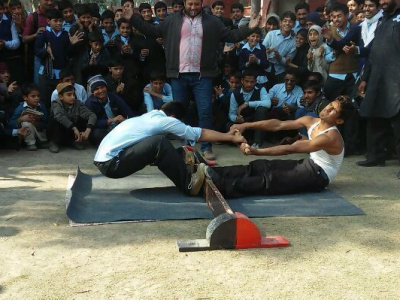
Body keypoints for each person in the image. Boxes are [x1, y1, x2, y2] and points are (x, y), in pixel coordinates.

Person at [126, 0, 261, 161]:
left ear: (201, 3)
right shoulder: (172, 20)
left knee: (204, 111)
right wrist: (132, 18)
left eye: (196, 4)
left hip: (202, 76)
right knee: (178, 114)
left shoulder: (212, 22)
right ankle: (185, 147)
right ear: (184, 3)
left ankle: (206, 147)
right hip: (179, 75)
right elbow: (152, 30)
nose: (193, 7)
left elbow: (231, 35)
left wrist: (250, 28)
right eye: (190, 3)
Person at [200, 95, 355, 199]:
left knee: (270, 179)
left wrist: (256, 151)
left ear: (339, 121)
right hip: (310, 165)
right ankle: (214, 172)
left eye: (334, 109)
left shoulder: (330, 137)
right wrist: (246, 125)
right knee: (261, 167)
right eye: (330, 104)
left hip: (319, 175)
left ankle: (219, 186)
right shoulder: (310, 120)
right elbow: (278, 125)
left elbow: (291, 149)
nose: (328, 108)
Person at [93, 101, 246, 196]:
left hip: (108, 160)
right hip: (112, 163)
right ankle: (189, 184)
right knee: (159, 143)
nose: (178, 127)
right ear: (173, 118)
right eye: (179, 123)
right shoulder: (165, 121)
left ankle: (191, 168)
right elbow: (200, 134)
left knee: (168, 146)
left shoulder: (149, 116)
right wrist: (231, 137)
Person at [356, 0, 400, 179]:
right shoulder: (382, 20)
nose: (383, 2)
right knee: (373, 115)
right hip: (377, 77)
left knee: (398, 122)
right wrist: (365, 78)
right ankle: (376, 156)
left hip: (396, 78)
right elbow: (373, 52)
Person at [85, 74, 135, 145]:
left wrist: (125, 120)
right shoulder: (89, 103)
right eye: (96, 89)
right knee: (96, 133)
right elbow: (92, 123)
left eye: (102, 87)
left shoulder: (114, 97)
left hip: (117, 127)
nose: (100, 91)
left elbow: (129, 113)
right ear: (93, 92)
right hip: (103, 130)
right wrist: (111, 120)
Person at [48, 83, 97, 153]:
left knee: (82, 119)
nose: (72, 97)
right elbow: (59, 116)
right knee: (56, 119)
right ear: (60, 96)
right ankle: (54, 142)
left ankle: (73, 141)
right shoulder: (56, 103)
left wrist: (88, 130)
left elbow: (92, 115)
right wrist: (74, 128)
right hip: (58, 132)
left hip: (70, 132)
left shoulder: (77, 103)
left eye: (74, 94)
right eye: (69, 95)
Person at [228, 70, 271, 149]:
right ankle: (245, 140)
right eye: (247, 81)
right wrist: (236, 118)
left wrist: (248, 104)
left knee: (262, 110)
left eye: (252, 82)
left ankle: (257, 142)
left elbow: (268, 103)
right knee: (229, 126)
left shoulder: (260, 89)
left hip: (256, 121)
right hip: (243, 122)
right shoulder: (235, 93)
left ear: (255, 82)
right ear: (242, 81)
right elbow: (231, 114)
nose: (249, 84)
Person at [8, 83, 48, 151]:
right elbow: (10, 123)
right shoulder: (20, 108)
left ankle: (42, 142)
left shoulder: (41, 106)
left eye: (38, 96)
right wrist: (20, 119)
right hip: (26, 133)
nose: (36, 98)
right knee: (26, 124)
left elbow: (46, 122)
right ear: (25, 97)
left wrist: (36, 123)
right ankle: (30, 143)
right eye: (33, 96)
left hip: (39, 132)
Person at [262, 11, 297, 87]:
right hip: (265, 68)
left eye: (290, 22)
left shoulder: (294, 41)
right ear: (280, 23)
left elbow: (288, 62)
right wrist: (267, 51)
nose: (287, 23)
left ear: (294, 25)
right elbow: (262, 50)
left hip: (280, 72)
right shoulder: (271, 34)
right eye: (285, 21)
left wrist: (279, 58)